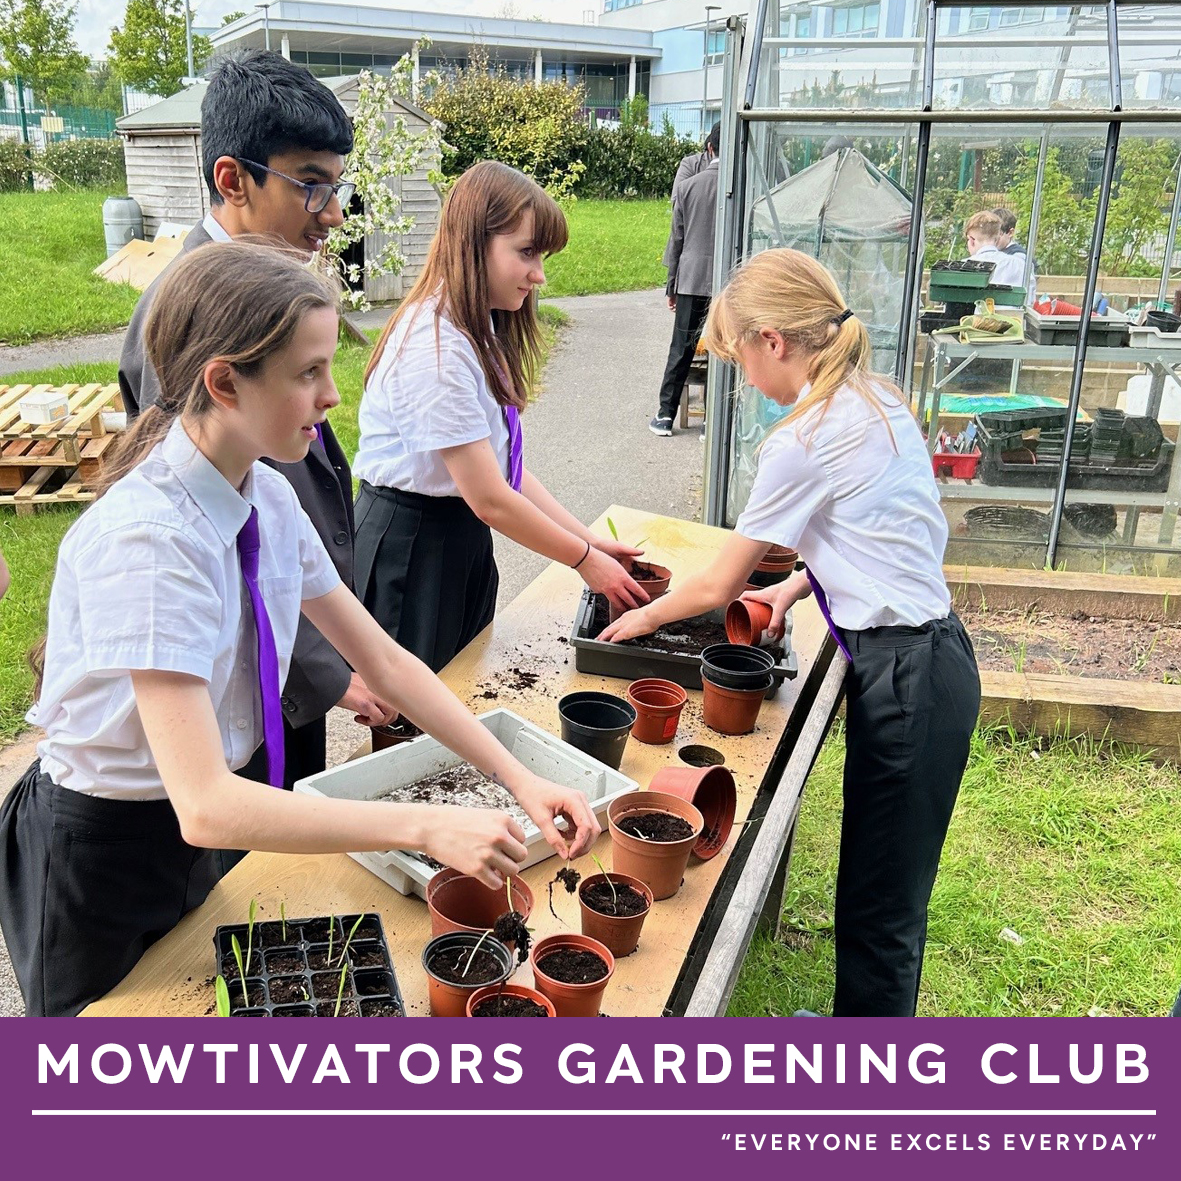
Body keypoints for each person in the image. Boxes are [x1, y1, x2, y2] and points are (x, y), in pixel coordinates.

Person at [0, 243, 599, 1018]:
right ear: (223, 381)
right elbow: (205, 801)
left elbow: (382, 659)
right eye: (308, 372)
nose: (332, 396)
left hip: (197, 827)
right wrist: (423, 823)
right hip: (105, 857)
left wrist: (519, 776)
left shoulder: (269, 500)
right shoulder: (148, 543)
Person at [603, 248, 981, 1017]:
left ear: (771, 339)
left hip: (906, 675)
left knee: (881, 908)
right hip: (932, 657)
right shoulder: (876, 400)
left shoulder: (803, 438)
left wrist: (634, 617)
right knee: (876, 884)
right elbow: (881, 533)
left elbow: (714, 584)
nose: (742, 376)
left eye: (737, 356)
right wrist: (797, 582)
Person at [119, 50, 393, 802]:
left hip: (284, 649)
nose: (333, 213)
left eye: (337, 187)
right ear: (233, 180)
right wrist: (328, 670)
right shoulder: (187, 317)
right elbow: (214, 538)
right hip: (237, 679)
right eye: (310, 184)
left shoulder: (267, 291)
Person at [353, 160, 647, 672]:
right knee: (410, 721)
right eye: (527, 252)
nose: (540, 275)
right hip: (414, 549)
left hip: (455, 537)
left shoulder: (478, 325)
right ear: (473, 242)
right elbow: (490, 498)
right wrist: (582, 559)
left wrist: (587, 538)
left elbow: (501, 468)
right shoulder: (434, 346)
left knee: (458, 692)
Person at [650, 121, 721, 436]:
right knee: (723, 348)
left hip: (690, 279)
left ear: (709, 148)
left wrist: (672, 284)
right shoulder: (740, 186)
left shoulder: (687, 186)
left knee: (682, 347)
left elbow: (676, 239)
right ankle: (711, 420)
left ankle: (665, 415)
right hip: (726, 280)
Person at [964, 210, 1026, 287]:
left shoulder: (962, 267)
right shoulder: (1020, 265)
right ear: (997, 238)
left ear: (971, 240)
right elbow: (1030, 294)